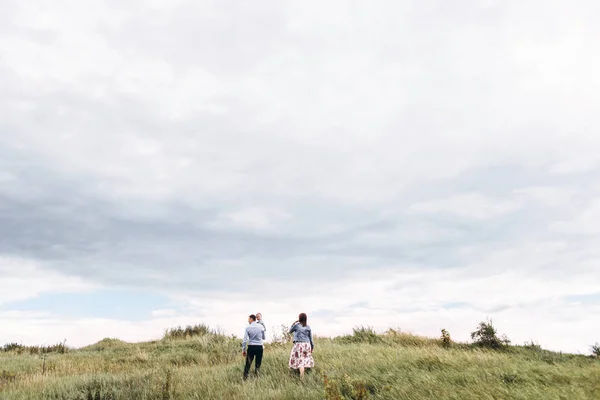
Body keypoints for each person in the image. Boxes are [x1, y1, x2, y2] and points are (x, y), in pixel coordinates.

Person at [288, 312, 314, 380]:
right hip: (307, 345)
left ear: (299, 318)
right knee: (304, 360)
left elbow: (290, 331)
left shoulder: (297, 325)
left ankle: (301, 377)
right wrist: (312, 347)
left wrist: (294, 323)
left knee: (300, 361)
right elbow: (311, 338)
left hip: (299, 345)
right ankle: (302, 373)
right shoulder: (308, 327)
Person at [242, 314, 265, 380]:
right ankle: (257, 377)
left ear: (252, 319)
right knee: (258, 363)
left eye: (249, 319)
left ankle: (245, 378)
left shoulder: (248, 328)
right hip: (259, 347)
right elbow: (264, 337)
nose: (248, 321)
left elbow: (244, 340)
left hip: (251, 347)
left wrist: (244, 350)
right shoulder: (261, 327)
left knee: (248, 364)